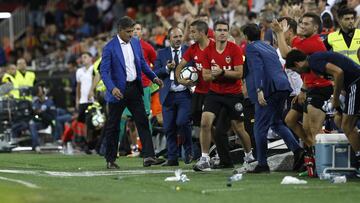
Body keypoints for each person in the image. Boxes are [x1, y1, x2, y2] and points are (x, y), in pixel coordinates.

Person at [100, 16, 164, 169]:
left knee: (143, 121)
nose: (131, 34)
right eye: (129, 32)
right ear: (120, 31)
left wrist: (153, 77)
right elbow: (104, 71)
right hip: (118, 92)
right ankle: (110, 160)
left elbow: (142, 63)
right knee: (114, 126)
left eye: (133, 31)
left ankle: (148, 156)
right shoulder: (109, 47)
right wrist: (112, 88)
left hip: (135, 88)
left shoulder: (135, 43)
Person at [191, 20, 253, 171]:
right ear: (214, 33)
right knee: (205, 122)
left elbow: (239, 74)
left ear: (228, 32)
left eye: (225, 30)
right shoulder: (208, 51)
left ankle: (249, 157)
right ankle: (205, 158)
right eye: (219, 30)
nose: (222, 32)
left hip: (233, 94)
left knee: (238, 128)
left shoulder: (235, 49)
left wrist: (222, 72)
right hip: (214, 93)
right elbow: (205, 76)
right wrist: (217, 74)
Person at [243, 23, 304, 173]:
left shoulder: (251, 48)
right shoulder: (268, 47)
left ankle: (262, 164)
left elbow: (258, 68)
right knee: (276, 123)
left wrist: (259, 89)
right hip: (282, 86)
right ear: (261, 34)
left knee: (259, 127)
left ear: (246, 37)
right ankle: (297, 150)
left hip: (269, 89)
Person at [285, 50, 360, 170]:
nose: (298, 73)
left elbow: (338, 73)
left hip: (355, 83)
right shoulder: (314, 63)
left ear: (297, 64)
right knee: (339, 120)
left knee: (347, 126)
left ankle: (358, 160)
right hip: (351, 86)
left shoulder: (314, 61)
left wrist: (335, 98)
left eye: (295, 70)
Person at [154, 27, 192, 166]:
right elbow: (155, 72)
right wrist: (166, 69)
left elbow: (195, 68)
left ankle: (188, 151)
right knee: (169, 127)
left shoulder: (189, 50)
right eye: (175, 37)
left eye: (180, 36)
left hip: (184, 93)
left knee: (182, 122)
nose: (178, 39)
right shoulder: (161, 53)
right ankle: (172, 158)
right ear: (169, 39)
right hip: (168, 94)